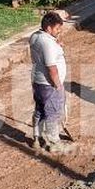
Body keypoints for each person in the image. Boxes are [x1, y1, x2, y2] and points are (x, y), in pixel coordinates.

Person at [29, 11, 73, 154]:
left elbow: (43, 52)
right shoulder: (48, 43)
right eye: (57, 28)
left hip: (37, 82)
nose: (59, 31)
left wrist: (57, 44)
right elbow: (51, 67)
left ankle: (36, 138)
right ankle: (54, 143)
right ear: (48, 28)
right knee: (53, 113)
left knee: (40, 110)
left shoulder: (35, 36)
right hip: (49, 84)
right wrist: (58, 85)